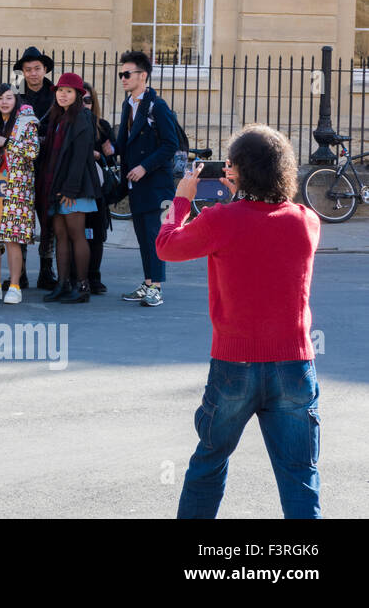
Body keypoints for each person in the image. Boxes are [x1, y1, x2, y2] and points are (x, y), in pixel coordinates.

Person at [157, 126, 322, 519]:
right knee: (300, 474)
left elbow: (167, 247)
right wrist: (243, 190)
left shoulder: (220, 220)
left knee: (209, 463)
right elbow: (264, 219)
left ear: (236, 171)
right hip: (294, 364)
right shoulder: (305, 221)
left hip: (235, 364)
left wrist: (181, 201)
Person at [115, 49, 177, 308]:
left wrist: (144, 166)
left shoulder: (157, 106)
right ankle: (148, 282)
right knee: (142, 235)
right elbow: (124, 142)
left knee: (155, 235)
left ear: (143, 76)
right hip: (136, 183)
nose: (123, 78)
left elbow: (169, 144)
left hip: (155, 183)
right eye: (121, 74)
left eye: (127, 74)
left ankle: (157, 288)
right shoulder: (127, 104)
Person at [38, 73, 101, 304]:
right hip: (57, 186)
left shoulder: (82, 117)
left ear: (78, 95)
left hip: (75, 188)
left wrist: (69, 190)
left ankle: (82, 286)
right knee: (61, 237)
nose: (63, 95)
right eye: (60, 90)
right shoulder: (58, 117)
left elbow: (80, 157)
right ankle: (63, 284)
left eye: (69, 91)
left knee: (76, 236)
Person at [0, 84, 40, 304]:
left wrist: (8, 143)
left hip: (16, 187)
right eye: (0, 98)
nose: (4, 102)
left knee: (13, 238)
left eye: (9, 98)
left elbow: (33, 151)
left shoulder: (26, 123)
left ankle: (14, 285)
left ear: (16, 101)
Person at [13, 46, 57, 291]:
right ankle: (20, 273)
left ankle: (46, 269)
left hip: (47, 163)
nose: (32, 73)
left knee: (47, 219)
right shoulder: (15, 95)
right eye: (28, 69)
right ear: (22, 71)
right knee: (20, 218)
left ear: (45, 70)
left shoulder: (55, 94)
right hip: (22, 165)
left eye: (37, 69)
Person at [82, 82, 116, 293]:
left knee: (95, 234)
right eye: (80, 100)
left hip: (97, 188)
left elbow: (111, 157)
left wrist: (103, 154)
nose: (84, 104)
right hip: (75, 188)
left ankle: (94, 276)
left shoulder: (102, 126)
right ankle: (78, 276)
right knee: (76, 235)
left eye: (87, 100)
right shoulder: (67, 124)